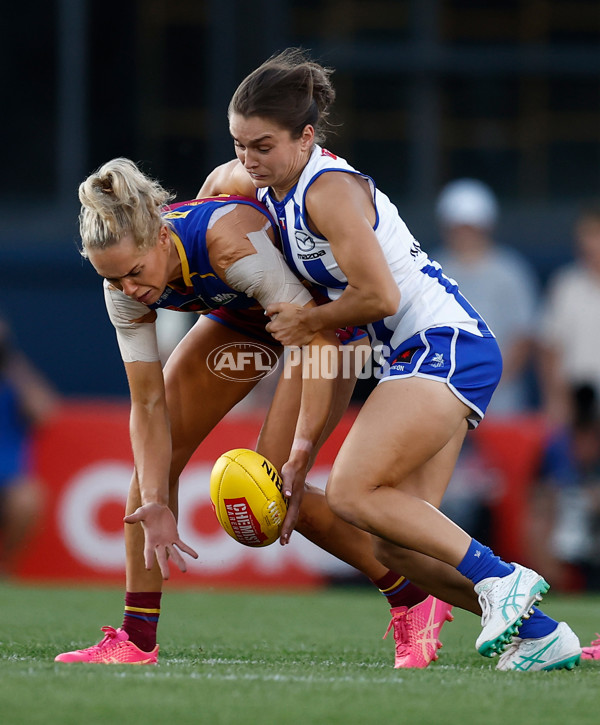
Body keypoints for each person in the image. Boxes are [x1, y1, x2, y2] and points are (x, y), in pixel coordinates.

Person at [199, 47, 582, 671]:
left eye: (262, 146)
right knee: (398, 544)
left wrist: (306, 320)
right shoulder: (266, 187)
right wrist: (299, 452)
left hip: (445, 345)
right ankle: (541, 634)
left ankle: (502, 579)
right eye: (239, 144)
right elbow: (332, 345)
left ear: (306, 136)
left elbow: (380, 297)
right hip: (412, 357)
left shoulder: (328, 191)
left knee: (351, 491)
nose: (247, 160)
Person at [55, 158, 453, 669]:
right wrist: (155, 500)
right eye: (113, 279)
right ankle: (135, 640)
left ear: (158, 233)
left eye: (134, 273)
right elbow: (147, 403)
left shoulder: (227, 241)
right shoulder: (122, 287)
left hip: (323, 329)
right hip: (245, 318)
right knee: (151, 465)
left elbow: (311, 333)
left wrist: (304, 449)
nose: (128, 289)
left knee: (272, 488)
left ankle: (412, 597)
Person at [434, 178, 539, 417]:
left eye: (471, 227)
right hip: (442, 395)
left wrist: (491, 380)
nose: (465, 235)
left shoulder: (510, 271)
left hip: (500, 400)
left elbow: (523, 337)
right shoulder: (432, 268)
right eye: (458, 227)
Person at [0, 316, 58, 575]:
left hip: (9, 481)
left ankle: (7, 570)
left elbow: (45, 412)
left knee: (28, 498)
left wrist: (9, 360)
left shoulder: (13, 381)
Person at [538, 202, 600, 426]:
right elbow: (549, 347)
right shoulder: (566, 285)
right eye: (585, 235)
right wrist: (555, 399)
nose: (589, 243)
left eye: (595, 234)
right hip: (575, 406)